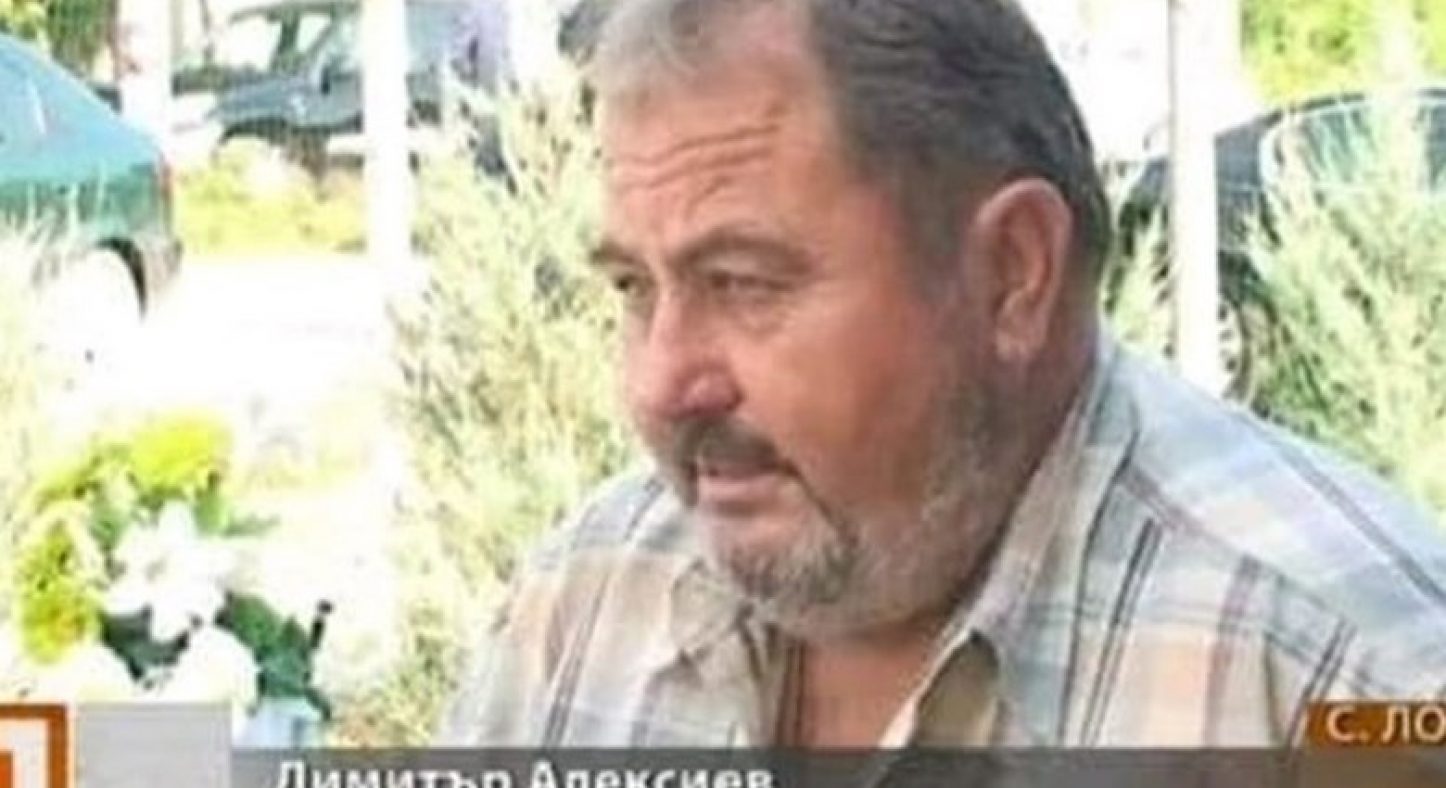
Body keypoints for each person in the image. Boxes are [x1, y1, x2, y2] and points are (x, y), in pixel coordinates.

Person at [439, 0, 1446, 747]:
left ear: (1011, 273)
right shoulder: (583, 603)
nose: (661, 383)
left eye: (743, 283)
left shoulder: (1346, 674)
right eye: (634, 288)